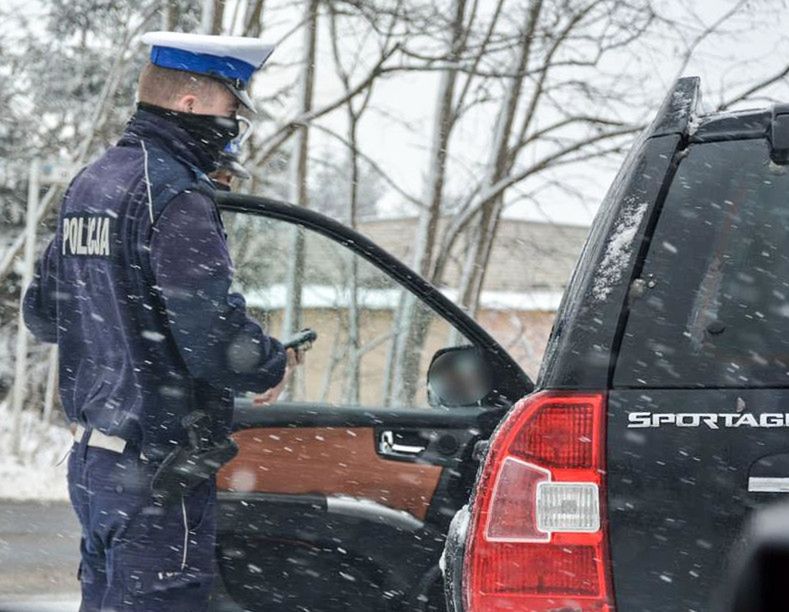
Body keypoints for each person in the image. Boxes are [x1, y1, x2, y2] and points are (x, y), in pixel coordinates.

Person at [22, 31, 299, 611]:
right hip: (156, 475)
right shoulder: (174, 195)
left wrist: (112, 329)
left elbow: (42, 314)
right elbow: (215, 341)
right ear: (192, 104)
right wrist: (270, 361)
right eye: (231, 108)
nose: (236, 126)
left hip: (95, 466)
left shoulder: (91, 183)